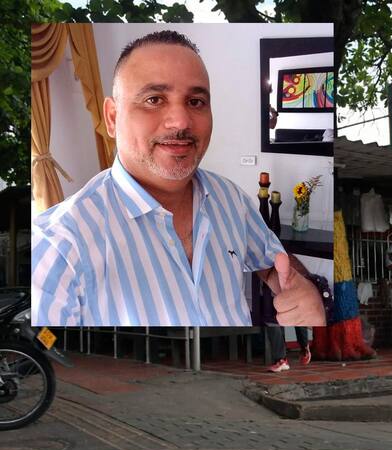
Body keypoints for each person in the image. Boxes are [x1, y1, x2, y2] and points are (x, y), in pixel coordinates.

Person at [31, 30, 328, 328]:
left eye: (196, 102)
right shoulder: (59, 246)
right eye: (154, 99)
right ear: (111, 117)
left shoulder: (231, 199)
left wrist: (305, 290)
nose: (181, 121)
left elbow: (273, 264)